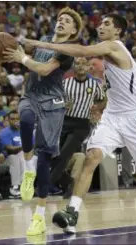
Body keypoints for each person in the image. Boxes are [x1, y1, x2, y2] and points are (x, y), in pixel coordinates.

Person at [25, 13, 136, 233]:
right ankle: (72, 213)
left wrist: (41, 43)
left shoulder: (115, 47)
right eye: (100, 23)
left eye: (107, 24)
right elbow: (117, 88)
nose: (101, 26)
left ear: (118, 31)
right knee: (91, 157)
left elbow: (83, 51)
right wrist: (102, 107)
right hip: (112, 117)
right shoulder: (107, 55)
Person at [3, 7, 82, 235]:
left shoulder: (67, 51)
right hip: (32, 96)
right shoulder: (46, 40)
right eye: (60, 18)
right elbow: (30, 46)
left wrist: (23, 57)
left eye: (67, 20)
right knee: (25, 120)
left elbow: (45, 69)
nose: (61, 21)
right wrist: (17, 43)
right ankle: (28, 167)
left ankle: (38, 216)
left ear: (73, 30)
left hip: (54, 102)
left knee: (45, 158)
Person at [50, 57, 104, 193]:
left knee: (64, 154)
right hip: (64, 122)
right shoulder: (65, 83)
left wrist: (97, 108)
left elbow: (103, 100)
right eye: (77, 63)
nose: (80, 66)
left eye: (83, 64)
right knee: (54, 157)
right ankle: (69, 182)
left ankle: (46, 184)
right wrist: (62, 105)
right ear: (73, 66)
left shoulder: (94, 85)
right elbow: (53, 101)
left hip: (81, 125)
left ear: (88, 67)